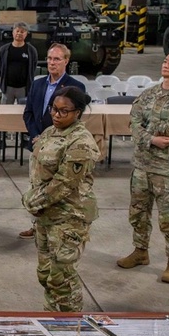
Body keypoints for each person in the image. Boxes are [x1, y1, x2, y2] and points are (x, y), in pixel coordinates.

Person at [117, 49, 169, 284]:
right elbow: (133, 123)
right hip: (142, 166)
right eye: (165, 61)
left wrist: (146, 132)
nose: (166, 64)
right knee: (138, 213)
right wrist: (150, 139)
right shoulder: (149, 93)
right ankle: (140, 251)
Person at [22, 86, 100, 312]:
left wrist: (33, 202)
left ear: (78, 113)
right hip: (47, 215)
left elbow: (64, 183)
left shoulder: (80, 143)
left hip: (69, 217)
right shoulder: (49, 133)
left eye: (63, 111)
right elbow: (38, 172)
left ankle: (70, 321)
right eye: (54, 109)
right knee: (45, 273)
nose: (56, 115)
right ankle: (52, 312)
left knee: (62, 277)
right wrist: (35, 201)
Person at [19, 43, 86, 239]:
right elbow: (29, 113)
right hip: (38, 143)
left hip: (60, 147)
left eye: (57, 59)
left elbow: (74, 118)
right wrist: (35, 136)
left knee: (55, 187)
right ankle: (37, 224)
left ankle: (56, 225)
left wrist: (53, 139)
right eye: (49, 58)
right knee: (37, 185)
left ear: (66, 61)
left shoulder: (76, 87)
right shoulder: (38, 83)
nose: (52, 62)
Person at [0, 22, 37, 104]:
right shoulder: (4, 50)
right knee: (6, 112)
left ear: (26, 34)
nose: (19, 33)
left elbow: (33, 65)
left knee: (23, 112)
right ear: (13, 32)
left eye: (22, 32)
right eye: (17, 31)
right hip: (8, 87)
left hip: (23, 88)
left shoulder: (31, 50)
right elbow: (0, 63)